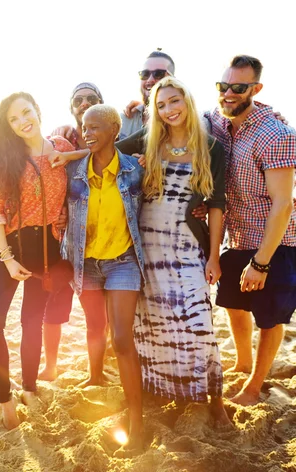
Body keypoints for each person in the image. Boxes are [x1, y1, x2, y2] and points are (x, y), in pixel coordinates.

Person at [133, 76, 231, 426]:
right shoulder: (147, 143)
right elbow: (103, 148)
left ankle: (215, 398)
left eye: (174, 101)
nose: (169, 110)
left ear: (186, 101)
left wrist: (214, 256)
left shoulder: (213, 148)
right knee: (155, 321)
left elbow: (216, 204)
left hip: (188, 246)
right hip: (147, 245)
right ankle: (166, 390)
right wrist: (64, 150)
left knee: (198, 319)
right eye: (161, 105)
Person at [52, 104, 146, 455]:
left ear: (114, 131)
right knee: (95, 326)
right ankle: (95, 375)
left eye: (94, 128)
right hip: (85, 263)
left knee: (121, 339)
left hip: (123, 261)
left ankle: (137, 421)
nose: (87, 132)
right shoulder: (75, 170)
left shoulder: (135, 169)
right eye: (83, 127)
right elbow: (52, 200)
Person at [204, 55, 296, 406]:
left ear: (255, 89)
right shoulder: (218, 123)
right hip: (238, 235)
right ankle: (243, 363)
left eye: (238, 88)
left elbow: (283, 204)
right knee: (233, 302)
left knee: (270, 317)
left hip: (276, 242)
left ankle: (256, 385)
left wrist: (261, 263)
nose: (228, 93)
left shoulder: (277, 134)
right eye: (222, 86)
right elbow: (181, 115)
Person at [0, 92, 75, 430]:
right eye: (13, 120)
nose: (23, 122)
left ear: (37, 109)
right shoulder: (6, 157)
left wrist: (63, 215)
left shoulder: (62, 148)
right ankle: (6, 401)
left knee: (31, 322)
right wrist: (6, 258)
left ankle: (30, 388)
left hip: (47, 248)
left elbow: (87, 164)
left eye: (25, 112)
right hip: (11, 246)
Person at [38, 82, 104, 382]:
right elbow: (47, 178)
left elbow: (104, 156)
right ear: (71, 106)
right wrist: (58, 211)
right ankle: (51, 365)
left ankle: (99, 368)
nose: (84, 103)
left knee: (97, 309)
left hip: (100, 236)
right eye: (78, 99)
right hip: (64, 239)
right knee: (55, 303)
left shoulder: (110, 138)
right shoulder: (59, 140)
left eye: (91, 99)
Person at [120, 50, 175, 140]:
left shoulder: (185, 121)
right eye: (145, 74)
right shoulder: (124, 119)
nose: (150, 80)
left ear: (173, 80)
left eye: (158, 74)